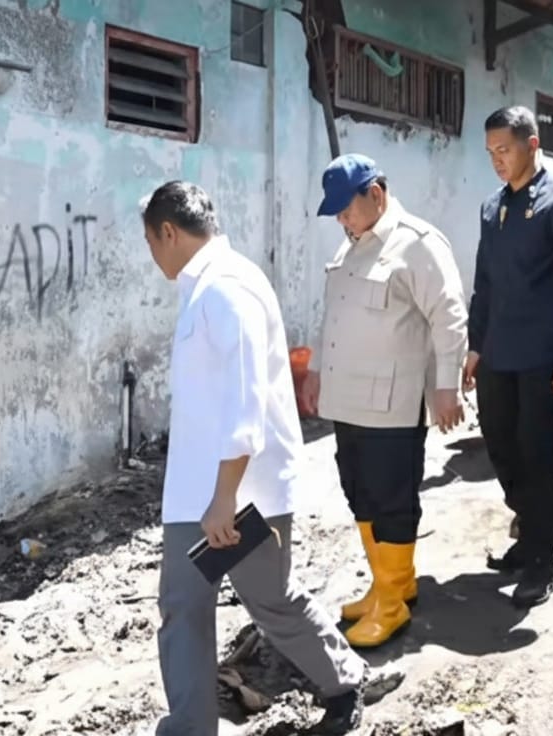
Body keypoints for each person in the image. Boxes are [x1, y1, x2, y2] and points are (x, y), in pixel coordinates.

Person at [142, 181, 365, 735]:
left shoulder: (226, 289)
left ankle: (343, 682)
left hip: (235, 494)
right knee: (184, 606)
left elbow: (246, 403)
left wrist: (224, 497)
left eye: (150, 243)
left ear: (168, 232)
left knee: (269, 599)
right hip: (202, 491)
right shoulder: (209, 284)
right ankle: (191, 727)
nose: (153, 256)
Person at [301, 154, 467, 648]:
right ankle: (388, 584)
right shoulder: (351, 246)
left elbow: (449, 316)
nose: (341, 219)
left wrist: (448, 385)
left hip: (392, 403)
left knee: (392, 500)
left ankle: (392, 605)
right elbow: (333, 316)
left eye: (346, 208)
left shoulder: (417, 244)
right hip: (348, 400)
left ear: (375, 193)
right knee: (360, 492)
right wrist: (315, 372)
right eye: (336, 212)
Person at [463, 106, 553, 608]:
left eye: (505, 150)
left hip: (545, 359)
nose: (497, 161)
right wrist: (475, 344)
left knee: (538, 455)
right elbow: (484, 285)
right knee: (501, 447)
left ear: (532, 144)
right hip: (498, 354)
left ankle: (541, 560)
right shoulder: (493, 208)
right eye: (491, 152)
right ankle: (536, 531)